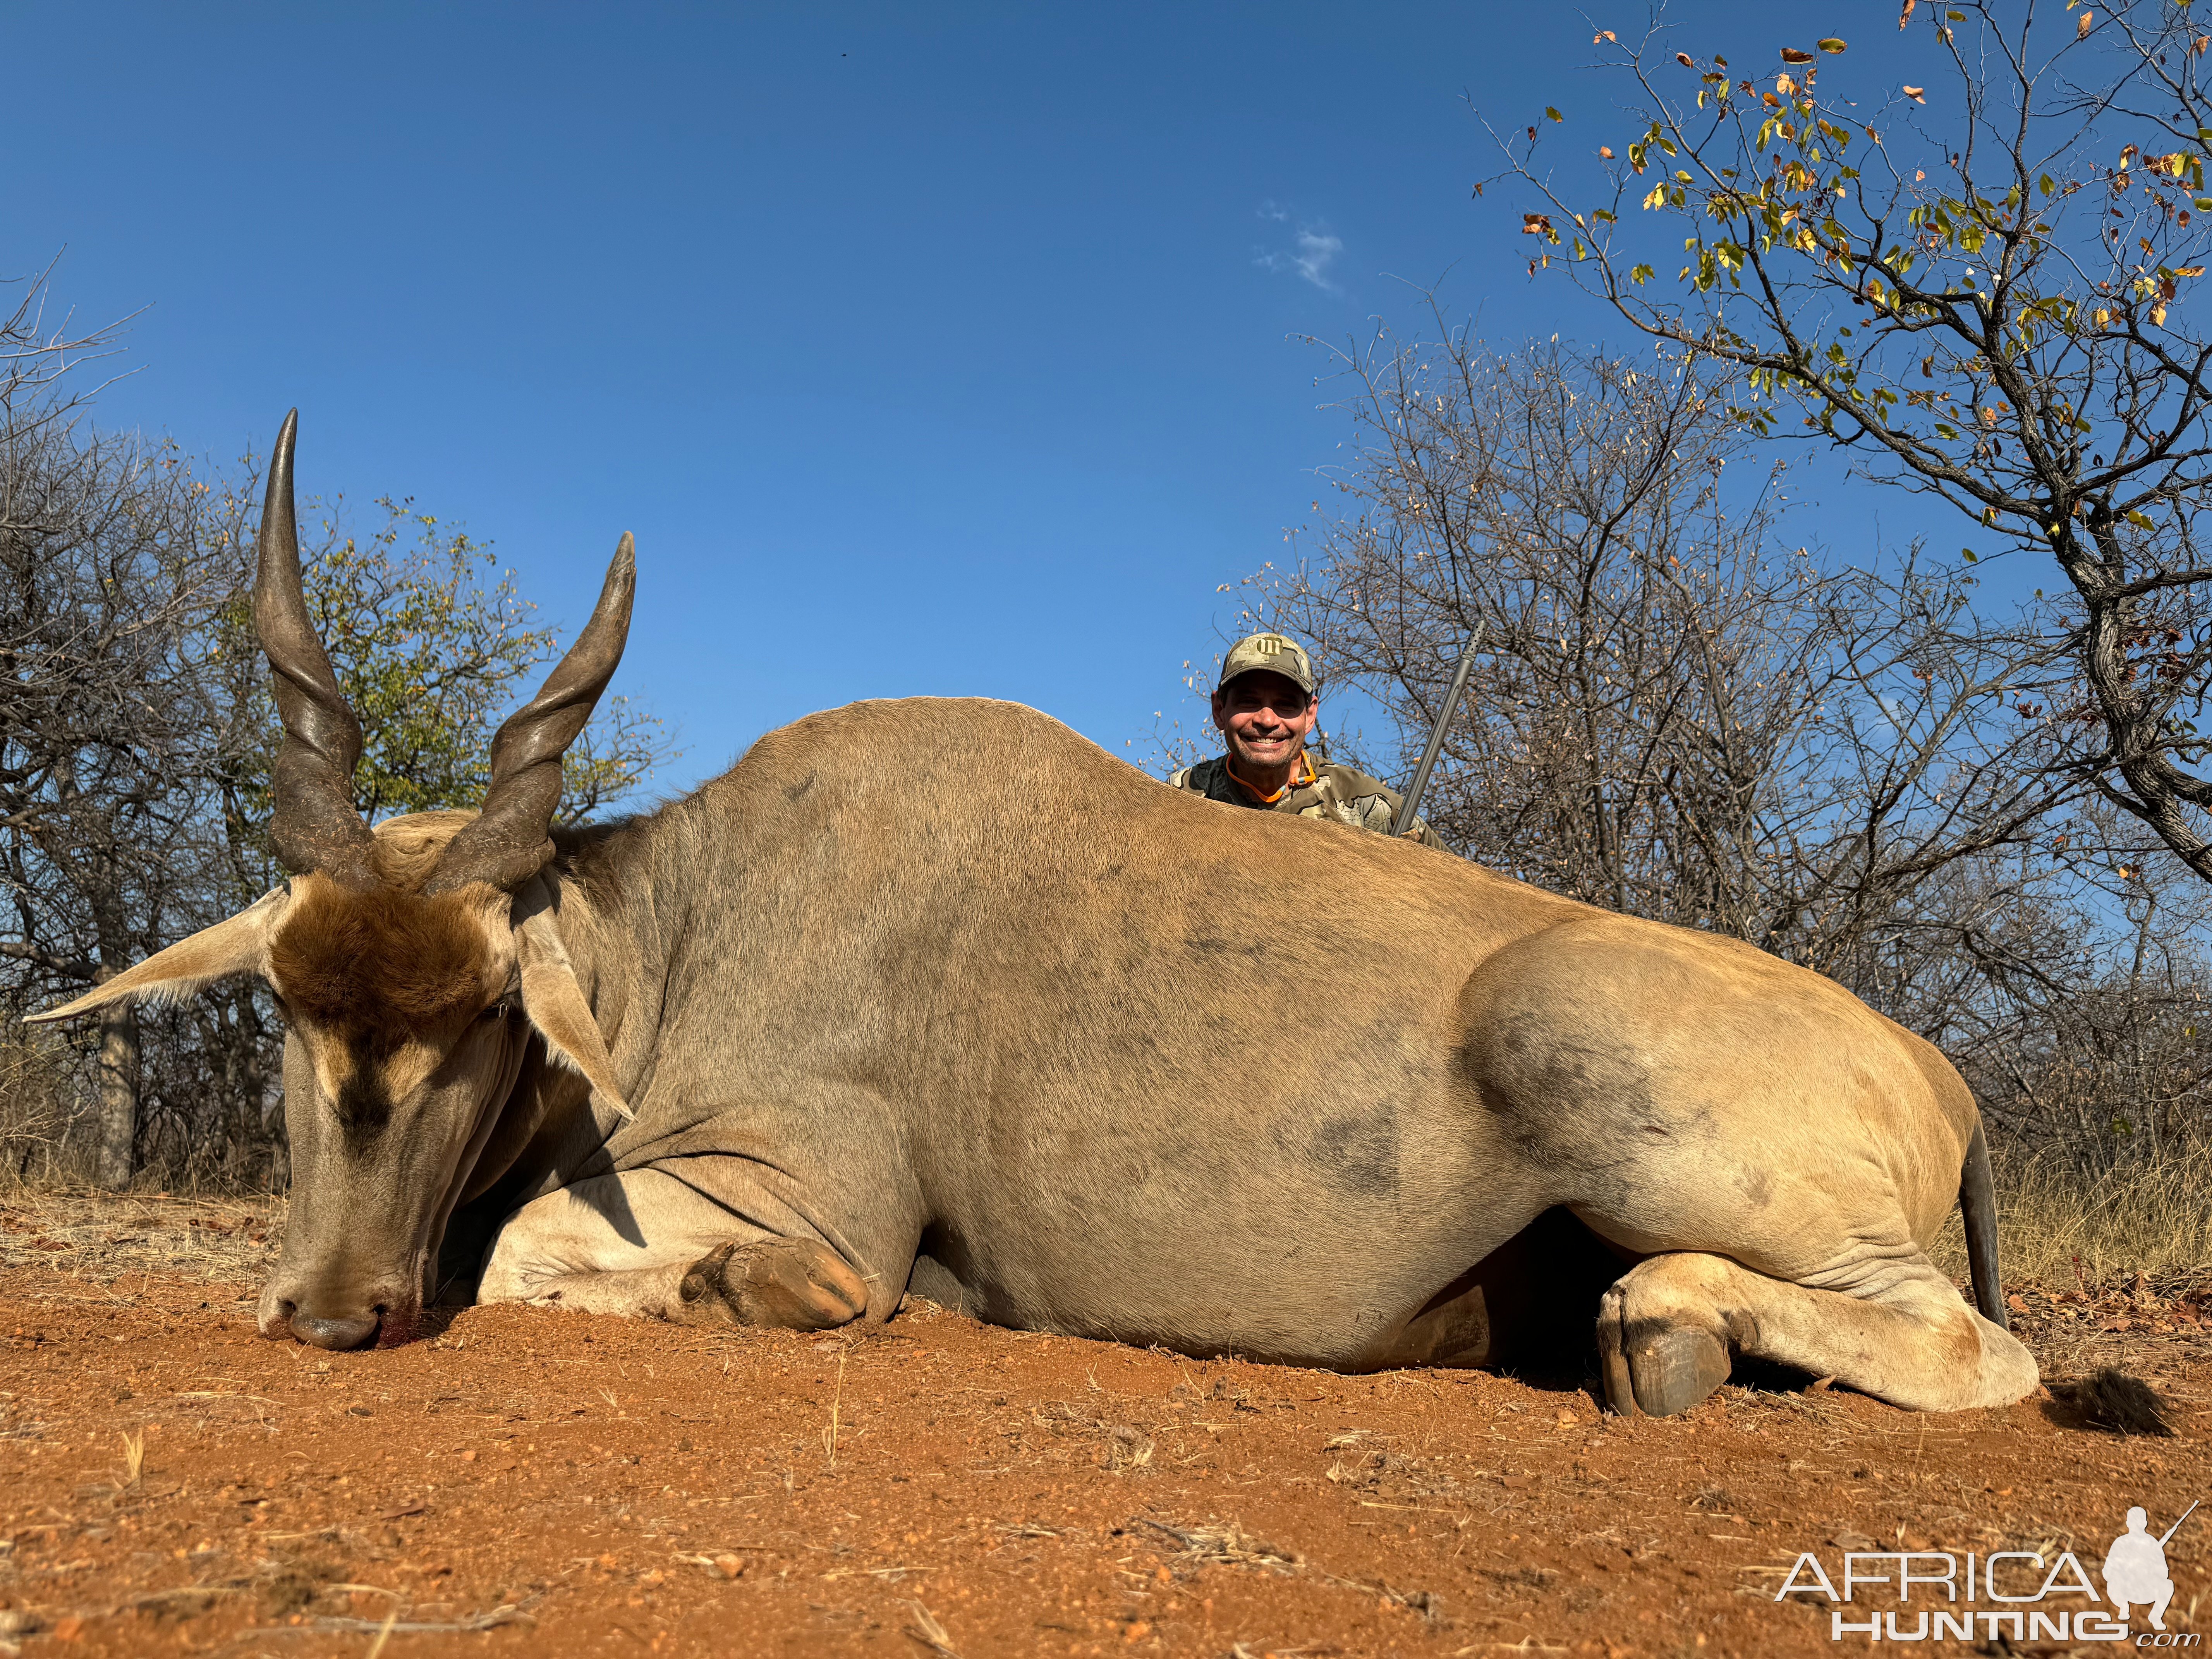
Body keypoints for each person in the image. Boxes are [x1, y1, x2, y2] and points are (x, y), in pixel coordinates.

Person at [1168, 632, 1444, 848]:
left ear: (1310, 716)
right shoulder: (1179, 798)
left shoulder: (1366, 804)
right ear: (1219, 710)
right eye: (1248, 702)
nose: (1267, 720)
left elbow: (1464, 893)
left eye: (1286, 705)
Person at [2102, 1506, 2175, 1631]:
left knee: (2168, 1585)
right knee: (2115, 1580)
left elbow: (2164, 1573)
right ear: (2145, 1523)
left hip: (2144, 1590)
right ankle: (2124, 1607)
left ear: (2128, 1524)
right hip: (2126, 1590)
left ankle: (2155, 1616)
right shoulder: (2122, 1543)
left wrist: (2147, 1570)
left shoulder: (2152, 1544)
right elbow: (2108, 1572)